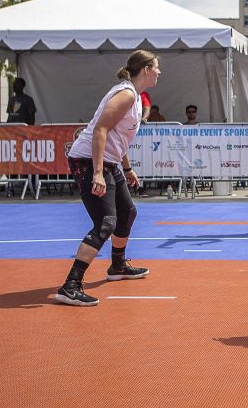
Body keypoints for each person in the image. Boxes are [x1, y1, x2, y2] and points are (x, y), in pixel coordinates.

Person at [54, 50, 160, 306]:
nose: (159, 72)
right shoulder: (125, 94)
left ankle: (117, 266)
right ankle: (70, 285)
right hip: (89, 161)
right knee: (106, 222)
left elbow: (118, 138)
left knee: (127, 213)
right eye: (157, 67)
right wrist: (98, 173)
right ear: (145, 69)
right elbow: (101, 129)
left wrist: (127, 168)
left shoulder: (135, 96)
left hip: (110, 161)